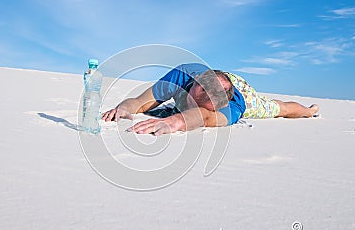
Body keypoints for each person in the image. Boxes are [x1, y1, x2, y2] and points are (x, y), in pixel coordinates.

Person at [102, 63, 319, 135]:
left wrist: (176, 121)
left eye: (208, 106)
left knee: (277, 108)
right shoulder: (183, 75)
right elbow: (140, 101)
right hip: (217, 76)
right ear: (195, 82)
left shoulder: (232, 107)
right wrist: (123, 108)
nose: (195, 106)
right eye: (197, 98)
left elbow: (204, 117)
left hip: (240, 92)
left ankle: (308, 110)